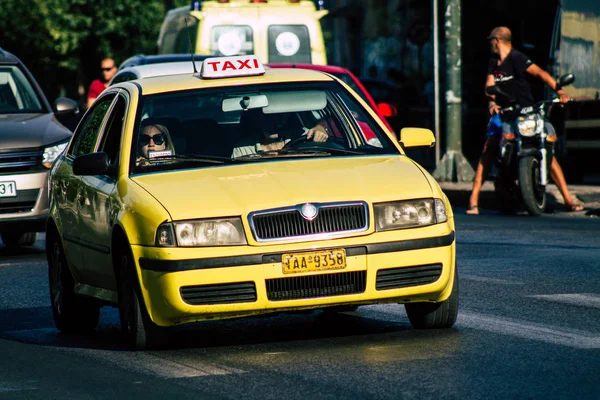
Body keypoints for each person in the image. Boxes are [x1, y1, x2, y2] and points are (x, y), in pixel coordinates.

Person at [466, 26, 584, 215]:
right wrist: (491, 103)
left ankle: (568, 199)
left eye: (491, 41)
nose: (490, 44)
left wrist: (559, 91)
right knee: (488, 148)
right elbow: (489, 86)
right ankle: (473, 200)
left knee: (546, 148)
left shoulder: (517, 58)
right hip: (504, 114)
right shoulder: (493, 62)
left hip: (527, 112)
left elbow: (540, 74)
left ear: (497, 41)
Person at [231, 110, 329, 158]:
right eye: (267, 117)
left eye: (278, 116)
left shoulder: (300, 136)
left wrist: (320, 129)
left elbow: (318, 134)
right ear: (258, 120)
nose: (273, 122)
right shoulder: (244, 147)